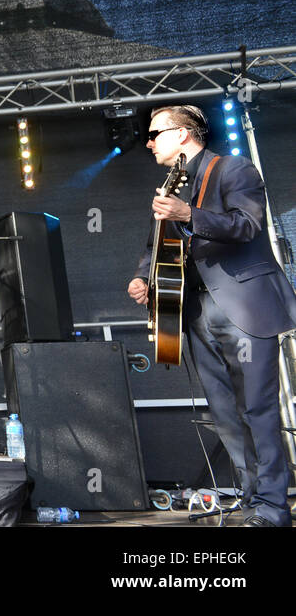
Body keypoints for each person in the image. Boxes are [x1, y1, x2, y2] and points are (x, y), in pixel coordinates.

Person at [127, 104, 296, 526]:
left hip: (242, 306)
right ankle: (251, 496)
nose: (149, 142)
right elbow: (154, 248)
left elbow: (247, 226)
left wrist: (188, 215)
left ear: (183, 134)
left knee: (258, 409)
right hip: (194, 311)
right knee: (224, 413)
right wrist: (142, 279)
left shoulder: (234, 170)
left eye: (155, 133)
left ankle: (274, 508)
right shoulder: (172, 188)